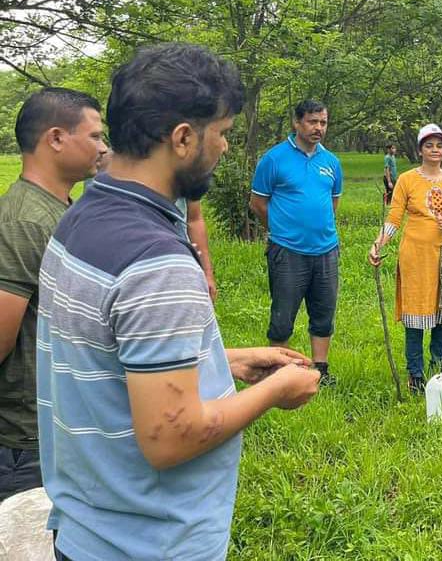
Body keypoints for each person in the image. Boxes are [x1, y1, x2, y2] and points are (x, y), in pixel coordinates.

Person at [37, 43, 321, 560]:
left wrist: (224, 359)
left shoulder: (80, 219)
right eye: (224, 133)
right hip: (148, 542)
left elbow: (105, 356)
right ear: (184, 138)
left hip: (85, 531)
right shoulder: (156, 262)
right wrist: (278, 389)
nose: (227, 148)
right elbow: (171, 438)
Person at [0, 88, 107, 502]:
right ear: (57, 139)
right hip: (26, 440)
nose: (103, 148)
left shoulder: (60, 208)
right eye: (95, 136)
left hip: (59, 422)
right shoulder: (24, 220)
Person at [250, 99, 344, 386]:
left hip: (326, 250)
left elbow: (333, 203)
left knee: (323, 314)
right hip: (287, 251)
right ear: (297, 123)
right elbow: (257, 203)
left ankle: (320, 370)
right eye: (313, 122)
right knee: (282, 317)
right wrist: (282, 230)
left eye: (323, 122)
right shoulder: (274, 159)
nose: (318, 128)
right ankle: (278, 373)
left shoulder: (331, 162)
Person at [369, 124, 442, 394]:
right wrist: (378, 244)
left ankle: (439, 368)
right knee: (416, 316)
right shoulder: (408, 180)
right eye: (429, 145)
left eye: (440, 145)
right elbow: (394, 218)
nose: (435, 150)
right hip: (416, 257)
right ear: (420, 149)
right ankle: (415, 375)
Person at [96, 148, 220, 301]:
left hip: (176, 265)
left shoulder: (183, 164)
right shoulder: (109, 165)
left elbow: (194, 219)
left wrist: (207, 273)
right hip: (124, 273)